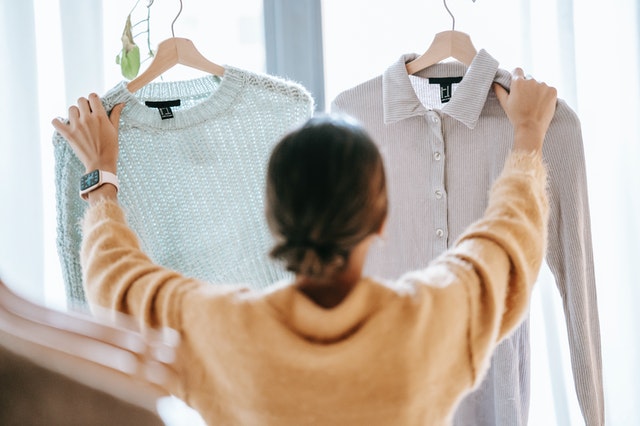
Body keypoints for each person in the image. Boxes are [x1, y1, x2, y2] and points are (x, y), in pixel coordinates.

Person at [52, 68, 557, 426]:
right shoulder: (430, 322)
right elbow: (507, 242)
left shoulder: (223, 331)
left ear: (275, 222)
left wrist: (101, 179)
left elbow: (119, 282)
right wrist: (529, 135)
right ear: (380, 220)